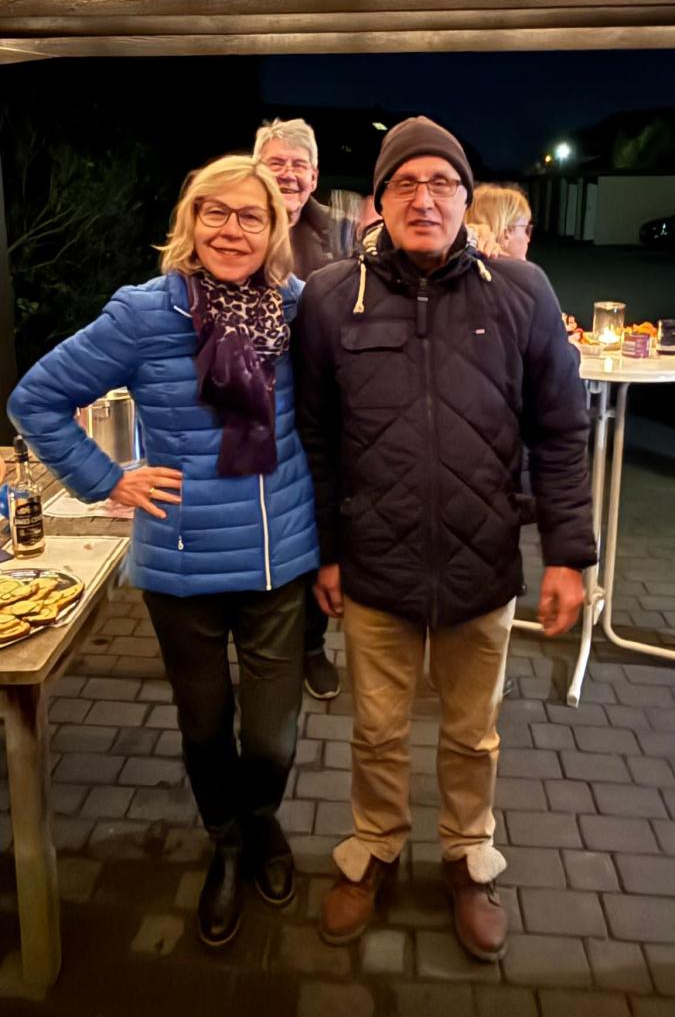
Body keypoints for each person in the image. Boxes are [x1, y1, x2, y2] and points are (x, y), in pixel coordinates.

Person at [295, 117, 596, 961]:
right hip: (375, 561)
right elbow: (314, 435)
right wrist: (326, 550)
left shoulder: (521, 291)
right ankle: (374, 848)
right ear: (379, 202)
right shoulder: (332, 296)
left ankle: (468, 857)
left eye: (440, 184)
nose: (422, 199)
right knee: (375, 731)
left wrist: (567, 555)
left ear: (467, 199)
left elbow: (560, 429)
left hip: (480, 558)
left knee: (472, 732)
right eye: (404, 184)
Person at [8, 154, 318, 949]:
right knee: (205, 723)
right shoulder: (147, 314)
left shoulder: (297, 307)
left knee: (273, 733)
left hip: (280, 557)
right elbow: (35, 398)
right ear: (189, 221)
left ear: (274, 228)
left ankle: (262, 819)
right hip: (181, 563)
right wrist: (106, 478)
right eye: (215, 212)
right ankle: (226, 841)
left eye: (250, 216)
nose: (232, 229)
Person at [254, 118, 340, 701]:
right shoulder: (235, 219)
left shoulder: (338, 232)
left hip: (317, 402)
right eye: (276, 163)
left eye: (298, 165)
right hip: (244, 405)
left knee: (314, 524)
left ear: (313, 177)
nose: (288, 174)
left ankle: (311, 645)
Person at [466, 182, 533, 261]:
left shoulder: (462, 260)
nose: (528, 239)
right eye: (526, 230)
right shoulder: (525, 269)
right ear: (507, 232)